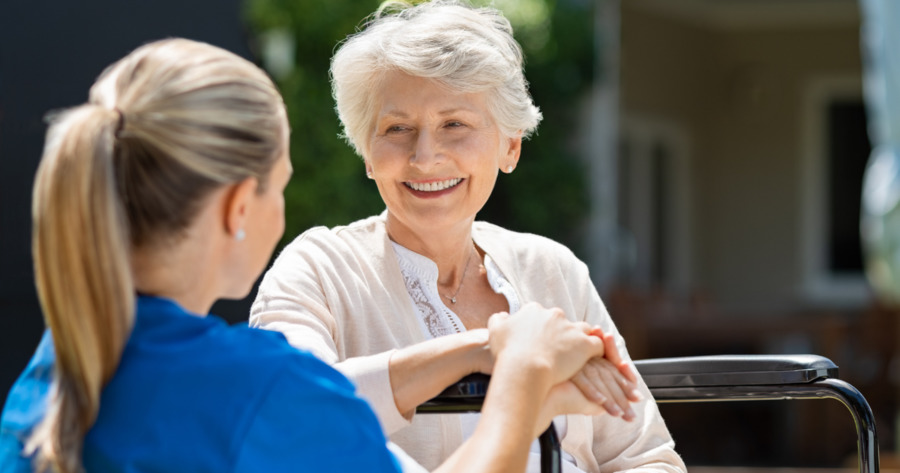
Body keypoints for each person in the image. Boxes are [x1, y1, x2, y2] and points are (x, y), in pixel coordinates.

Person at [0, 38, 619, 473]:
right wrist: (523, 377)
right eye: (283, 182)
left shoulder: (62, 364)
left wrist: (481, 348)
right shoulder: (261, 390)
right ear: (241, 207)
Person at [249, 1, 686, 472]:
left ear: (510, 146)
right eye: (398, 128)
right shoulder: (318, 269)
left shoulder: (552, 268)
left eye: (454, 124)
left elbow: (645, 455)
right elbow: (287, 409)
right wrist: (497, 350)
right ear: (367, 153)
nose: (425, 156)